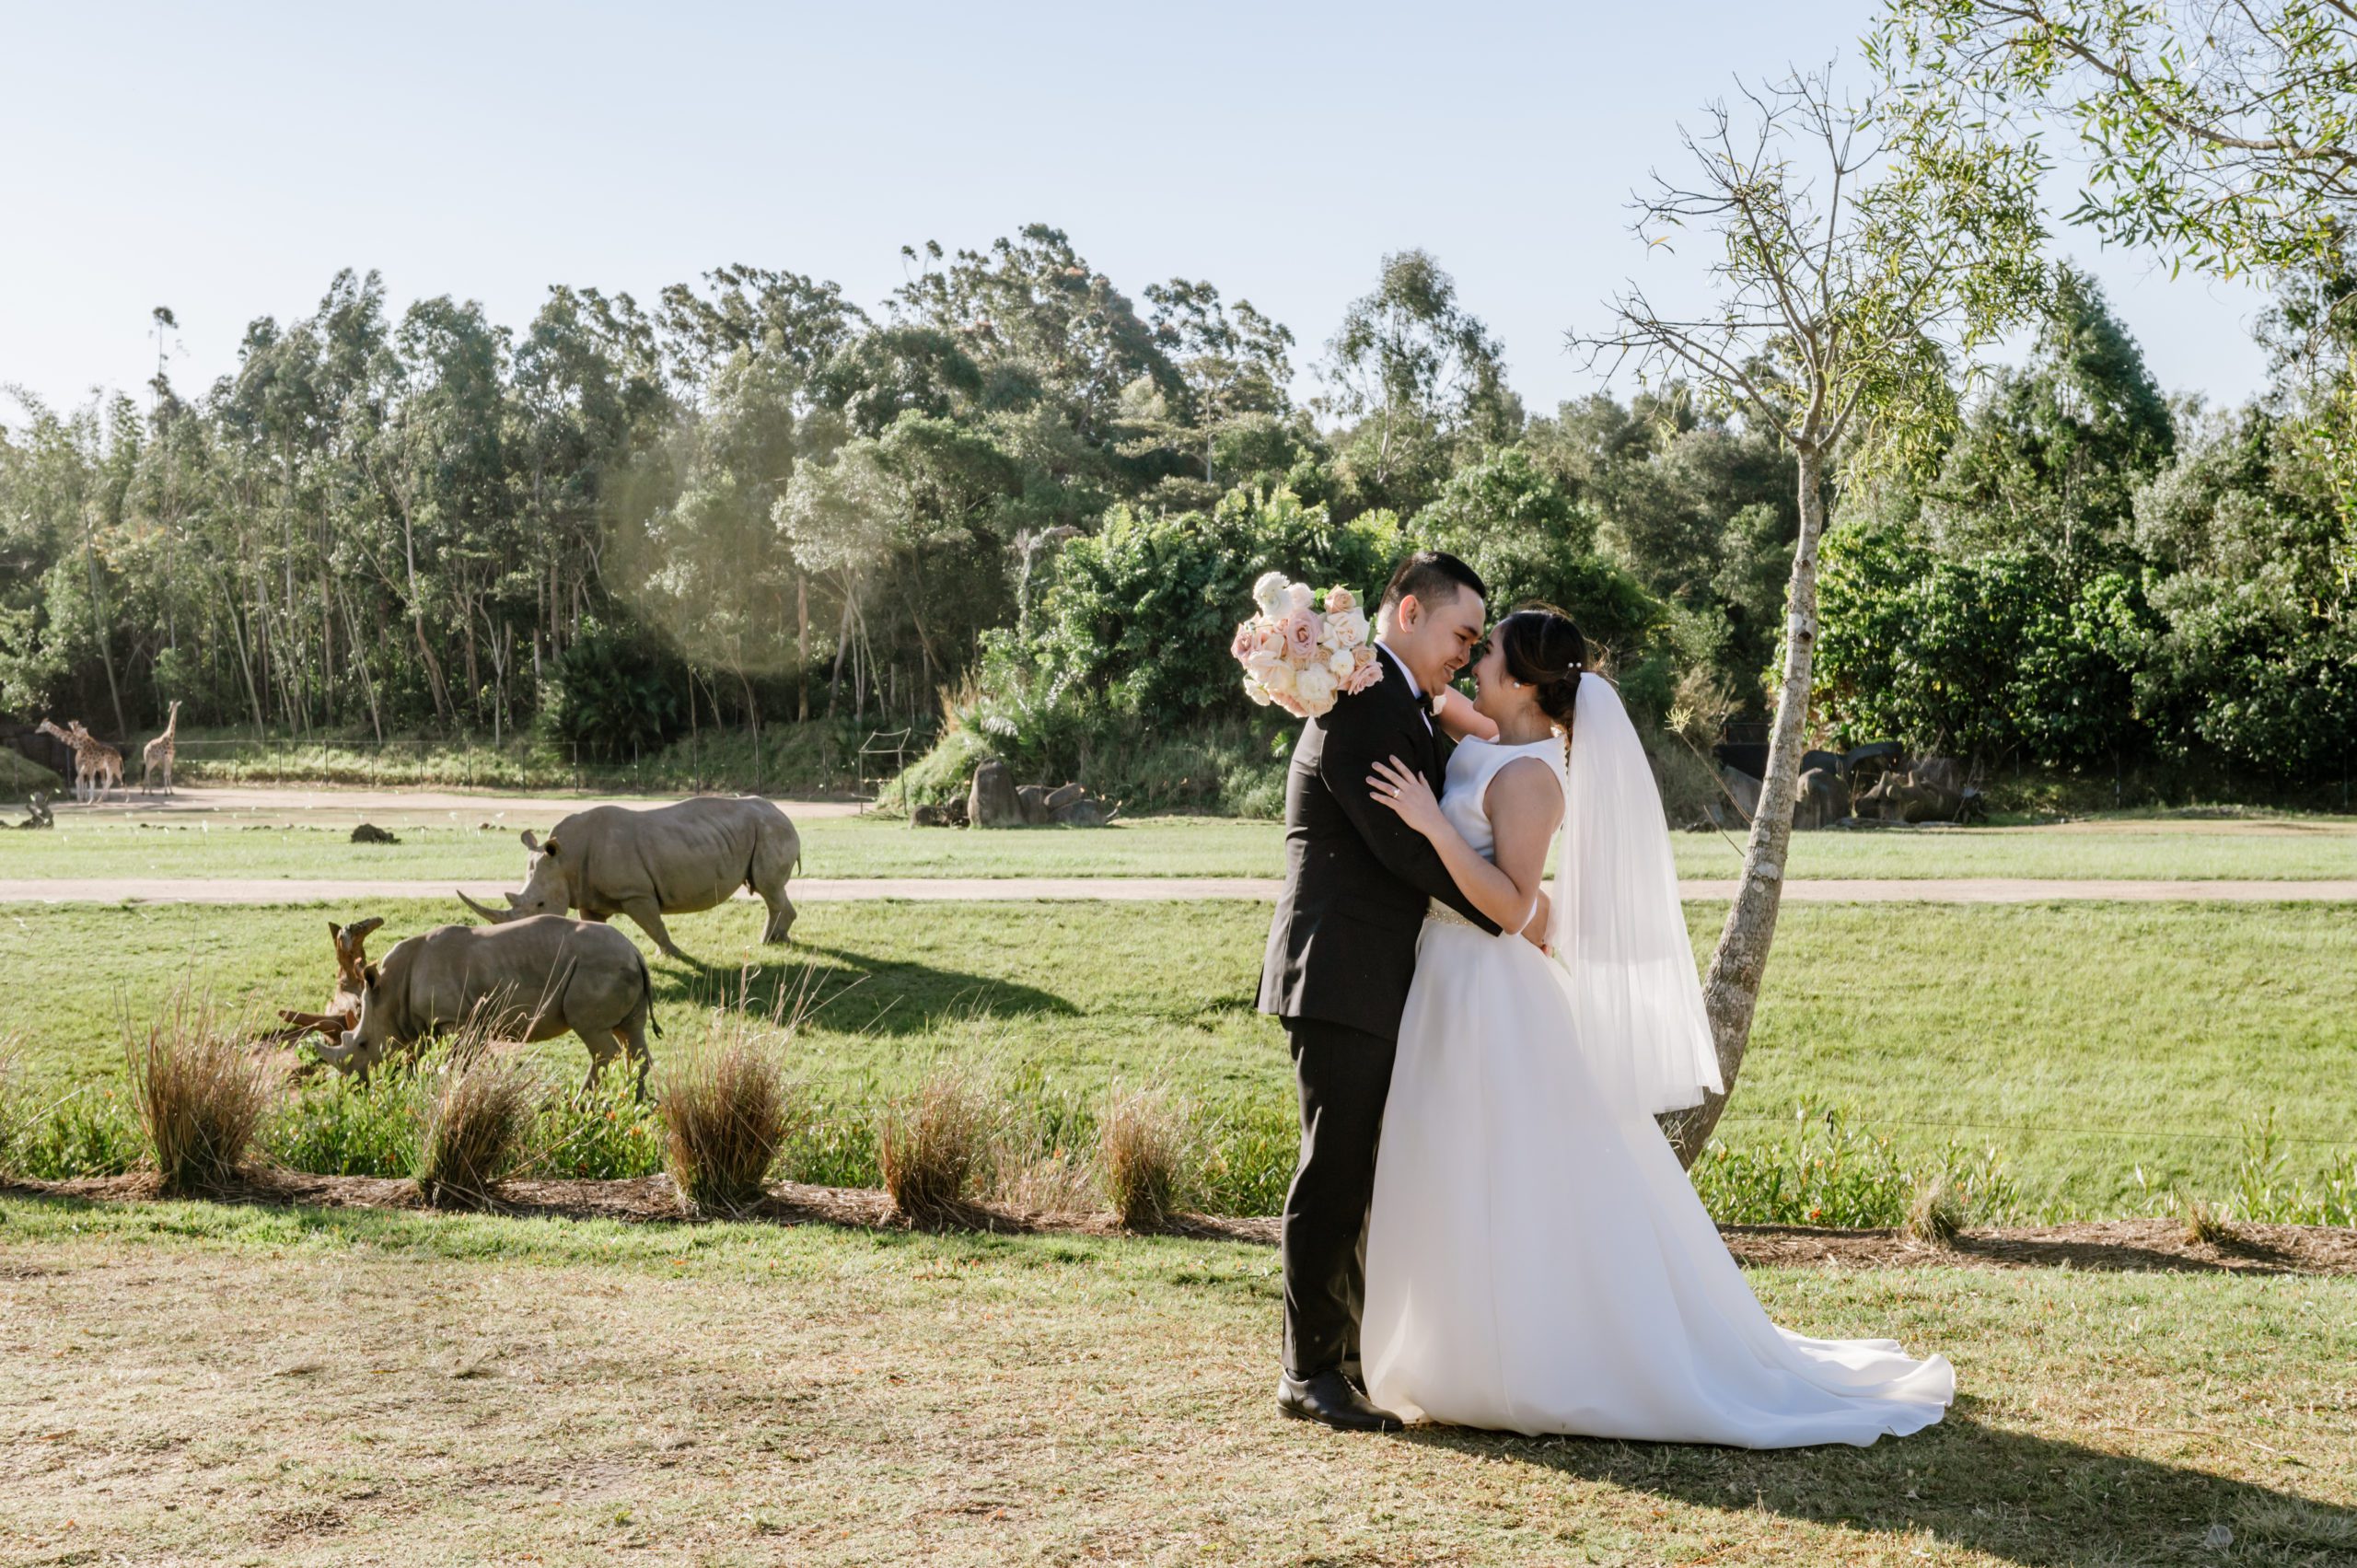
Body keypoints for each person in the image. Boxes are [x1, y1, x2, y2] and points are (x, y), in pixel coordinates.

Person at [1354, 605, 1954, 1446]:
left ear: (1524, 682)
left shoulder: (1532, 778)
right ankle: (1452, 1347)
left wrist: (1425, 820)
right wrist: (1332, 656)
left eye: (1486, 653)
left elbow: (1509, 904)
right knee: (1452, 1157)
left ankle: (1520, 1357)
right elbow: (1417, 692)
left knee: (1504, 1169)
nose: (1471, 661)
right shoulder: (1487, 733)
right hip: (1445, 981)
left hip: (1486, 985)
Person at [1256, 551, 1550, 1433]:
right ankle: (1308, 1372)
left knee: (1359, 1165)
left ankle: (1338, 1357)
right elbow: (1400, 846)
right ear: (1410, 612)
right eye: (1463, 633)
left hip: (1372, 969)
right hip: (1339, 966)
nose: (1466, 652)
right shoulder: (1363, 697)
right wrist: (1509, 909)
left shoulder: (1396, 693)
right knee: (1335, 1165)